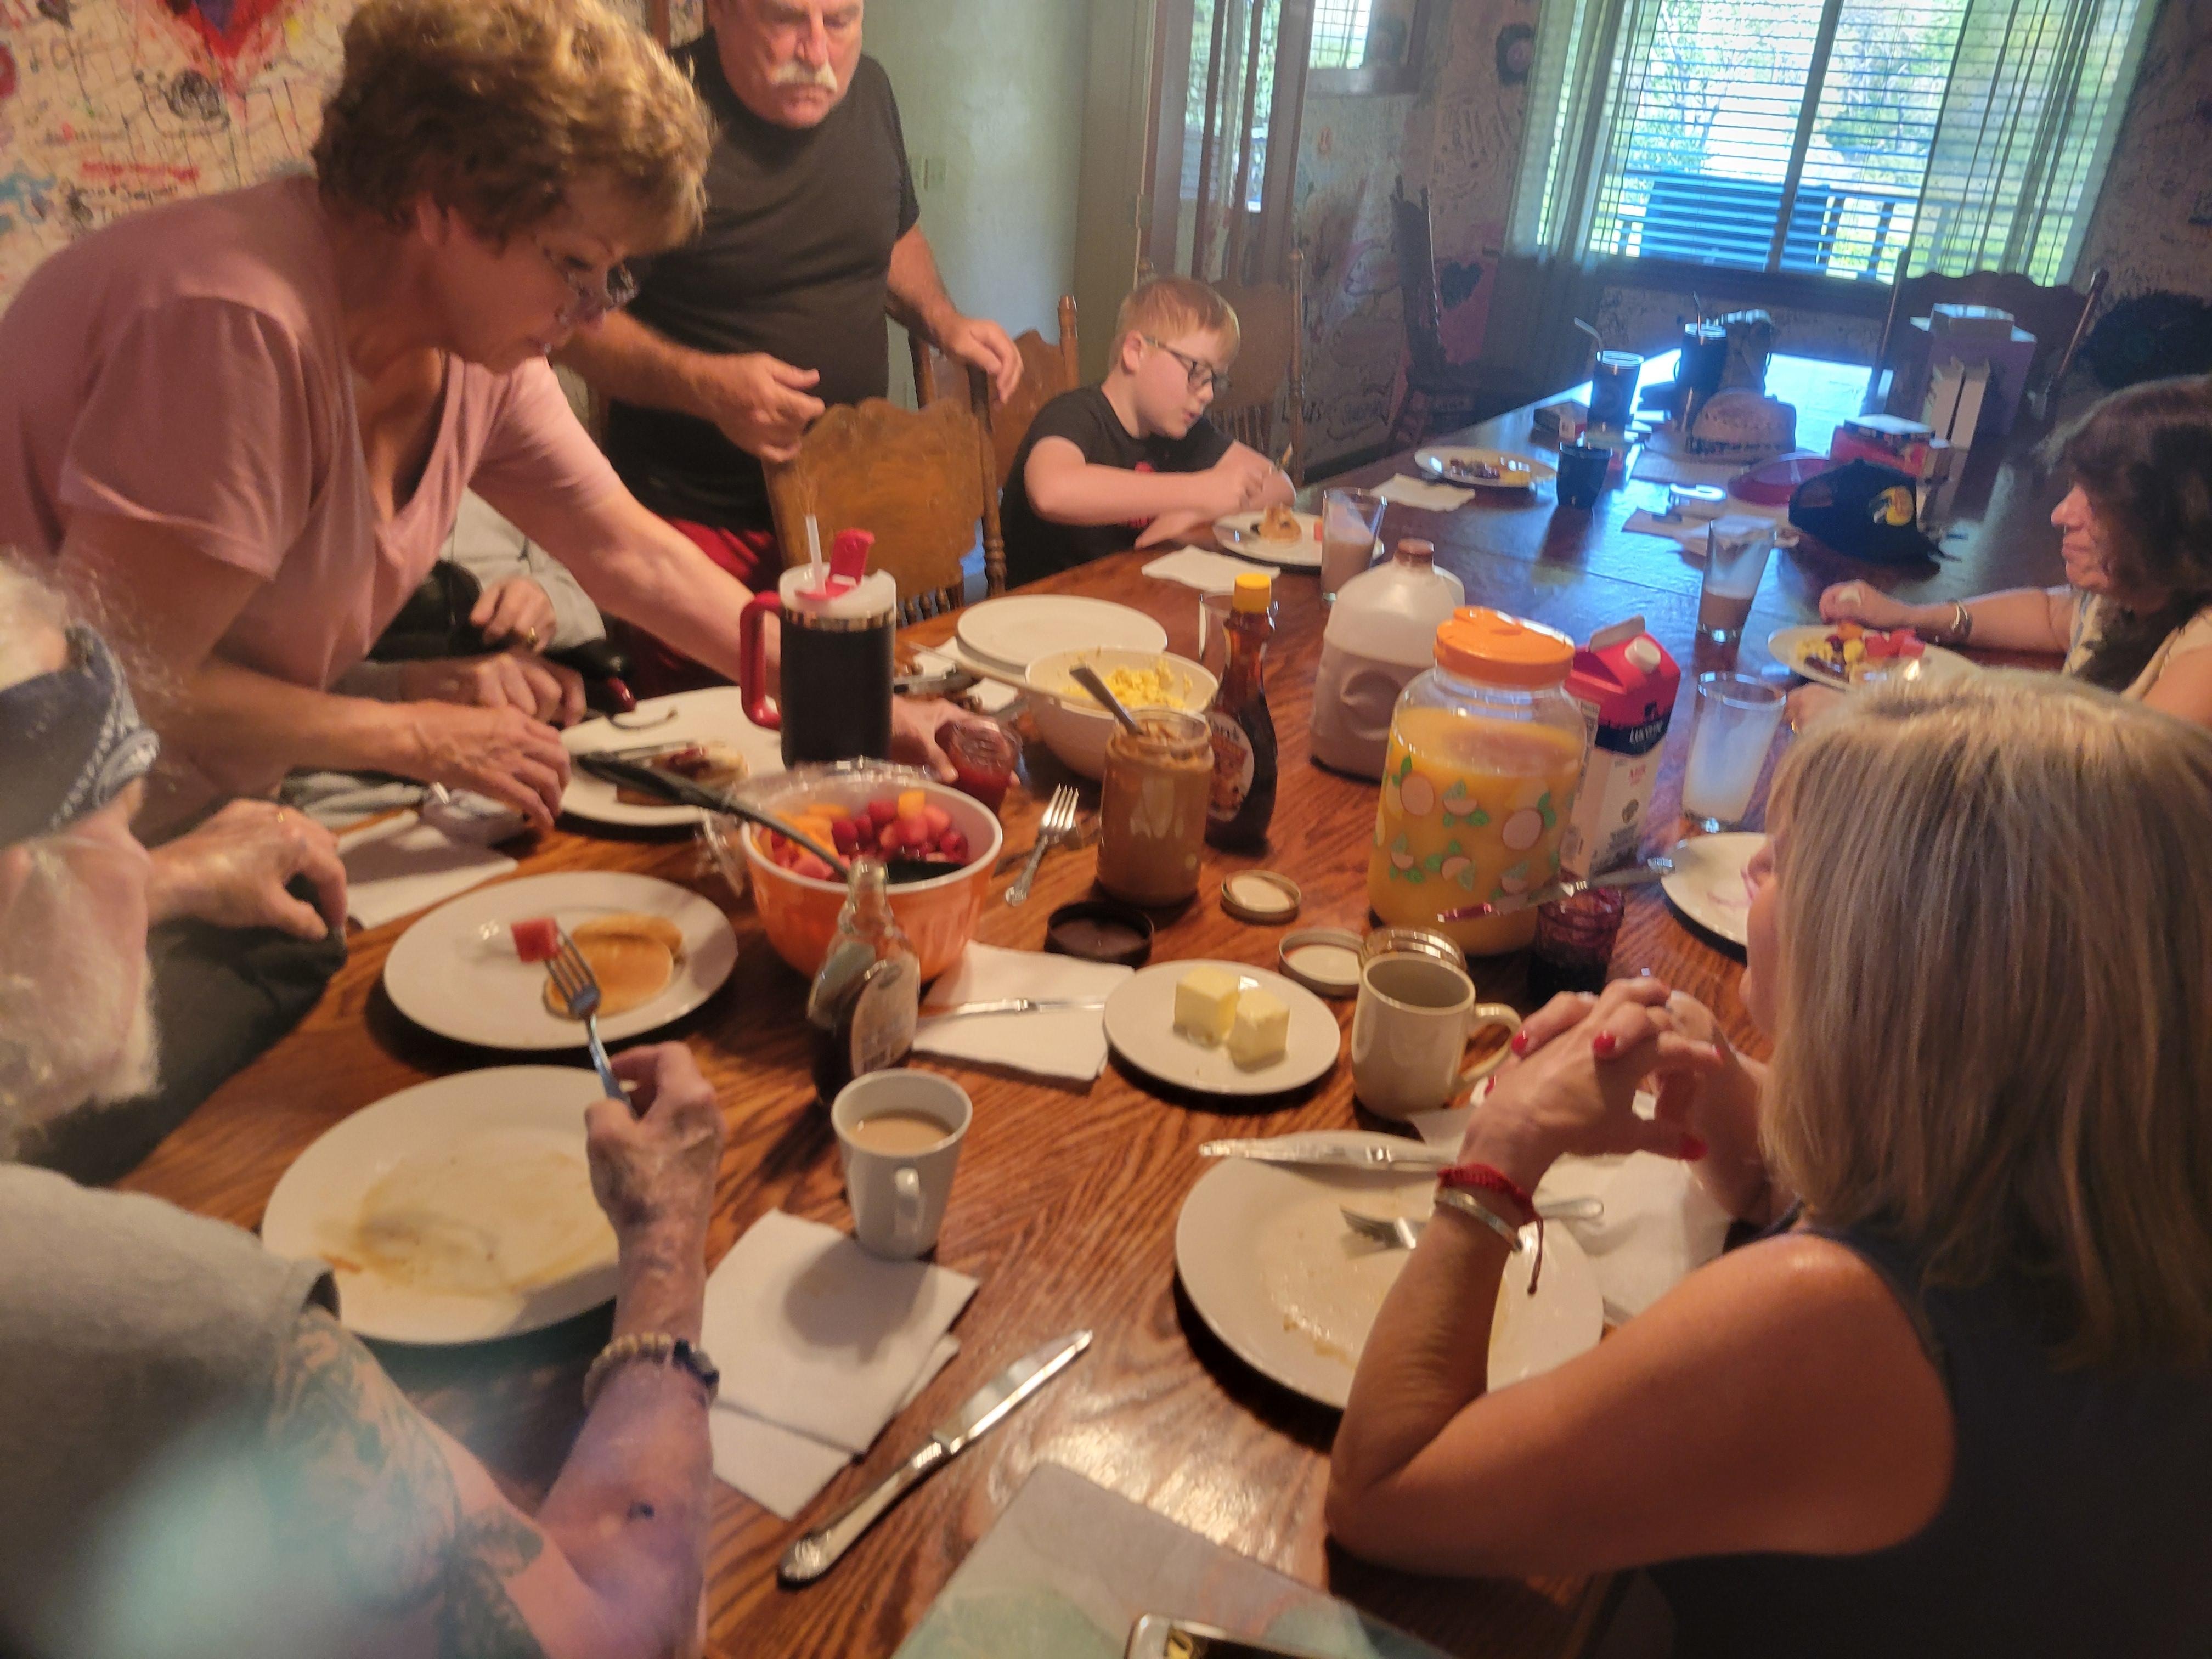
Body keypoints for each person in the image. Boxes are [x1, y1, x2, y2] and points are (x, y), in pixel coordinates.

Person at [1327, 675, 2212, 1657]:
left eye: (1784, 865)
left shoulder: (1838, 1327)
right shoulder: (2120, 1193)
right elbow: (1797, 1192)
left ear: (1895, 963)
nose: (1751, 876)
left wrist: (1501, 1154)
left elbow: (1386, 1492)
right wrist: (1725, 1092)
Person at [0, 0, 980, 839]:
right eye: (573, 265)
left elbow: (625, 551)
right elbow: (124, 683)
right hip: (49, 845)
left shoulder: (476, 342)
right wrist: (411, 732)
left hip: (198, 818)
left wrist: (864, 702)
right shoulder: (235, 327)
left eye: (618, 276)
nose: (596, 317)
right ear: (438, 201)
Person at [0, 575, 726, 1659]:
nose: (137, 862)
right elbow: (623, 1630)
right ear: (24, 884)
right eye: (127, 821)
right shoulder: (176, 1328)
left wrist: (171, 877)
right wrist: (666, 1248)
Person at [558, 0, 1025, 686]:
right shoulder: (653, 113)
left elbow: (891, 235)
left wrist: (944, 320)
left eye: (840, 21)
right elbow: (571, 324)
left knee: (842, 742)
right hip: (700, 523)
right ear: (719, 12)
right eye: (786, 19)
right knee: (721, 754)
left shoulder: (870, 91)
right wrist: (705, 385)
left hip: (846, 511)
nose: (817, 50)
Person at [1812, 376, 2212, 729]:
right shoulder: (2132, 593)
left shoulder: (2204, 656)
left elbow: (2105, 776)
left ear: (2177, 520)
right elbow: (2054, 616)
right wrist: (1911, 618)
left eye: (2097, 500)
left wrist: (1864, 729)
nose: (2061, 515)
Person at [999, 275, 1292, 589]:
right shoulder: (1074, 415)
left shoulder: (1180, 429)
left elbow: (1279, 485)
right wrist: (1197, 491)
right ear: (1136, 351)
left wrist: (1191, 511)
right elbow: (1052, 491)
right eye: (1197, 371)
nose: (1206, 394)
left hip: (1128, 595)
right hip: (1043, 609)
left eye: (1214, 380)